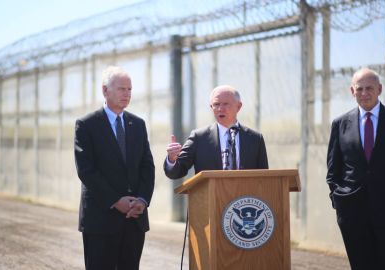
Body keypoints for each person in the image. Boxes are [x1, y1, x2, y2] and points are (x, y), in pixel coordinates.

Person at [326, 68, 385, 270]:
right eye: (359, 89)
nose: (364, 93)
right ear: (352, 91)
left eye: (369, 88)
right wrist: (339, 201)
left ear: (379, 89)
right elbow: (333, 169)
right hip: (352, 213)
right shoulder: (340, 124)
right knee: (361, 265)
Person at [74, 66, 155, 270]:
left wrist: (143, 200)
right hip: (101, 219)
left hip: (134, 219)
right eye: (121, 89)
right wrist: (115, 200)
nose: (127, 94)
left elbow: (147, 166)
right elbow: (86, 170)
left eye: (129, 89)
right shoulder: (87, 125)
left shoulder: (137, 124)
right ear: (105, 90)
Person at [164, 85, 268, 179]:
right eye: (216, 104)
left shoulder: (255, 139)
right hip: (210, 198)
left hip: (245, 198)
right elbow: (176, 172)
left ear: (238, 106)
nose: (220, 109)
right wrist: (172, 160)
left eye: (226, 104)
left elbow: (264, 177)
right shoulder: (199, 138)